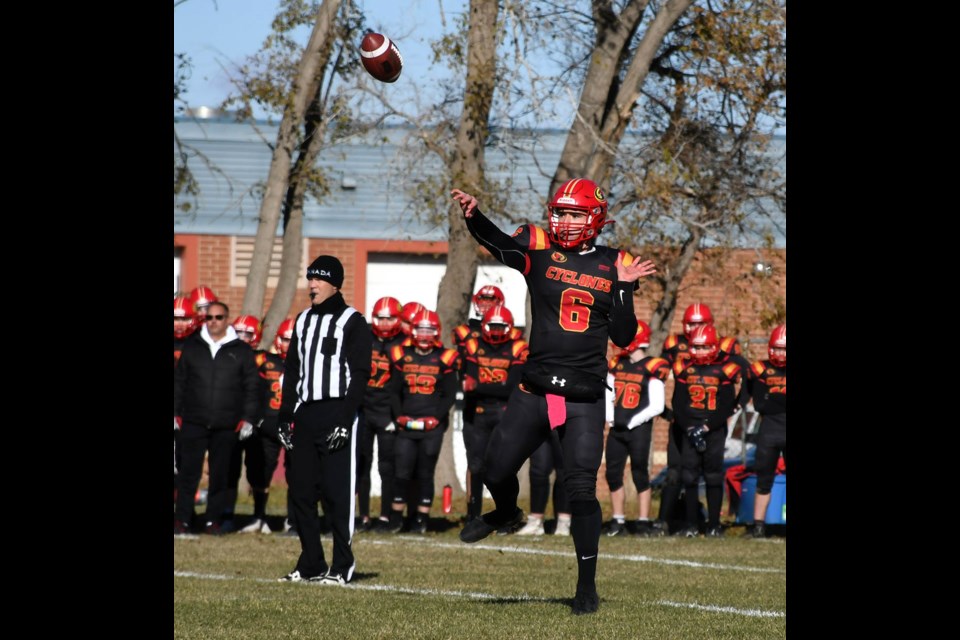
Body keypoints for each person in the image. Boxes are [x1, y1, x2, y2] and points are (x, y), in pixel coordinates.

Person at [451, 179, 656, 616]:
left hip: (583, 394)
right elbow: (502, 247)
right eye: (560, 212)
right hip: (536, 387)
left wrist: (622, 286)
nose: (565, 221)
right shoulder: (538, 244)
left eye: (575, 214)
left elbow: (623, 335)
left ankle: (586, 587)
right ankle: (505, 513)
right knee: (494, 469)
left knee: (581, 486)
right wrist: (474, 216)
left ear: (595, 218)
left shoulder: (615, 261)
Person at [276, 256, 372, 585]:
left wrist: (346, 419)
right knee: (301, 492)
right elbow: (292, 371)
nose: (312, 284)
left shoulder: (353, 321)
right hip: (306, 413)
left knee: (336, 494)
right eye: (310, 278)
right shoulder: (302, 321)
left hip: (338, 411)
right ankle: (311, 563)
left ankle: (342, 565)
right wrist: (285, 415)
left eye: (319, 279)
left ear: (335, 284)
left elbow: (360, 375)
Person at [654, 302, 745, 535]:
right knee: (686, 474)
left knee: (714, 474)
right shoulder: (681, 362)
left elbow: (748, 378)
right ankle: (686, 523)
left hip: (712, 426)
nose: (700, 350)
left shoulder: (726, 363)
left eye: (699, 324)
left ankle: (714, 524)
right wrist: (674, 417)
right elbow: (675, 397)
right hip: (687, 425)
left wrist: (738, 406)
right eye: (696, 347)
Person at [174, 301, 260, 535]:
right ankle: (182, 519)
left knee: (220, 474)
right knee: (188, 473)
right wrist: (176, 412)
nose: (213, 322)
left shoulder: (240, 350)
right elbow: (180, 382)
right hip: (193, 419)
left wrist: (248, 418)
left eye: (219, 317)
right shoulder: (193, 346)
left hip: (226, 422)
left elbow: (251, 387)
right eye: (209, 317)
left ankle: (213, 520)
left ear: (226, 318)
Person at [385, 309, 460, 533]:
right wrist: (399, 416)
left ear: (437, 332)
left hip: (431, 425)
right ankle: (397, 517)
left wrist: (435, 418)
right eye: (421, 329)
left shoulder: (445, 357)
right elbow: (393, 391)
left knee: (426, 472)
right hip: (406, 422)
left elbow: (449, 394)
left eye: (430, 330)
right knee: (402, 471)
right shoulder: (401, 354)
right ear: (413, 331)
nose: (425, 334)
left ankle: (421, 519)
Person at [460, 304, 529, 523]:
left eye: (501, 326)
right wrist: (491, 386)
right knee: (476, 465)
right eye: (493, 325)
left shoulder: (518, 347)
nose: (497, 331)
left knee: (505, 466)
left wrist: (480, 386)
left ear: (509, 327)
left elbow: (511, 387)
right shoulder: (472, 345)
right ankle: (473, 515)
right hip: (479, 413)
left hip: (505, 414)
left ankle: (508, 514)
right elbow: (469, 383)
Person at [603, 319, 670, 536]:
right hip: (617, 428)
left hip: (638, 429)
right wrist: (610, 417)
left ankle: (642, 522)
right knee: (613, 474)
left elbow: (657, 405)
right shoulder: (617, 363)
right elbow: (608, 392)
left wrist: (632, 421)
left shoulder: (654, 366)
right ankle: (618, 521)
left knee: (640, 474)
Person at [358, 296, 406, 532]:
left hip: (388, 412)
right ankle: (363, 515)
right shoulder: (364, 337)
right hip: (365, 409)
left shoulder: (405, 342)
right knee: (362, 464)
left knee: (387, 467)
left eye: (390, 318)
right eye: (381, 318)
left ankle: (386, 516)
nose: (385, 323)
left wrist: (397, 414)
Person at [744, 324, 786, 538]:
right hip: (769, 431)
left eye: (784, 349)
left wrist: (774, 398)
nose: (780, 353)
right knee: (763, 479)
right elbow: (760, 404)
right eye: (777, 348)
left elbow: (770, 401)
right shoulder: (761, 369)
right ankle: (758, 525)